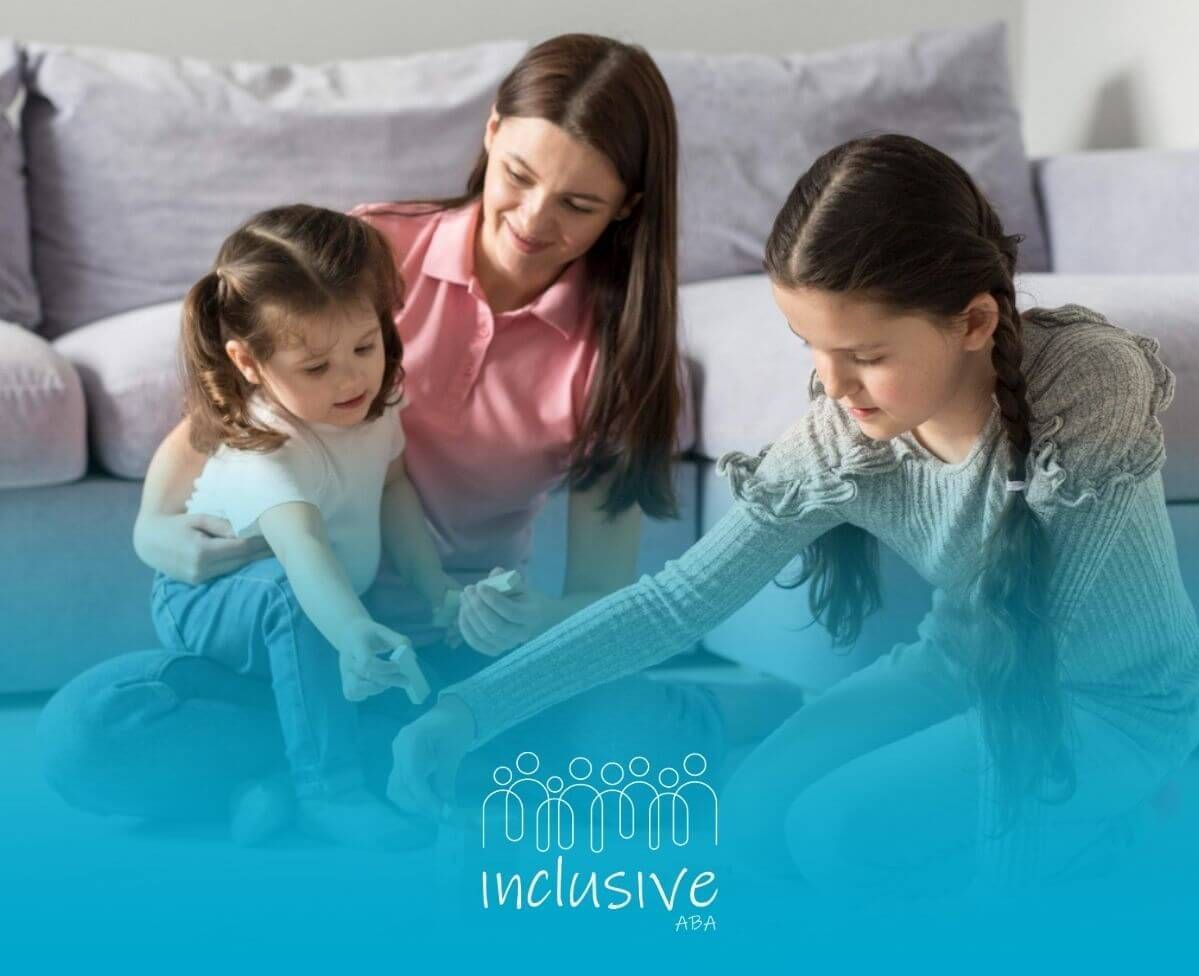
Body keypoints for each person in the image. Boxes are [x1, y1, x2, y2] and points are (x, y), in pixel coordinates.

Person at [388, 134, 1199, 895]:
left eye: (868, 356)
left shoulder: (1087, 384)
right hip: (956, 667)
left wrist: (1007, 909)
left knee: (832, 836)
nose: (834, 387)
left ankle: (1125, 828)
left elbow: (1033, 660)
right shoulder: (844, 435)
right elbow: (678, 601)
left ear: (974, 323)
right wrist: (470, 710)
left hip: (1104, 702)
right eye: (811, 347)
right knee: (748, 825)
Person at [38, 34, 731, 841]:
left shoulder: (619, 355)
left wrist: (531, 618)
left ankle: (295, 776)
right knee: (84, 734)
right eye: (519, 175)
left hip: (457, 660)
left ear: (627, 207)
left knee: (650, 735)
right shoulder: (374, 250)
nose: (535, 221)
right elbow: (219, 424)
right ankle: (365, 767)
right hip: (290, 652)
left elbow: (603, 595)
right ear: (492, 130)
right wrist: (154, 529)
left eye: (579, 205)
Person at [145, 203, 458, 848]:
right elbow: (302, 549)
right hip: (209, 602)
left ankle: (265, 781)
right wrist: (350, 631)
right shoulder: (267, 446)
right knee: (294, 602)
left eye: (365, 347)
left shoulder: (373, 406)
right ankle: (329, 792)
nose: (351, 378)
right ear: (249, 363)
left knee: (382, 686)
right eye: (315, 368)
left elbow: (394, 488)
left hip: (314, 600)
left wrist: (436, 591)